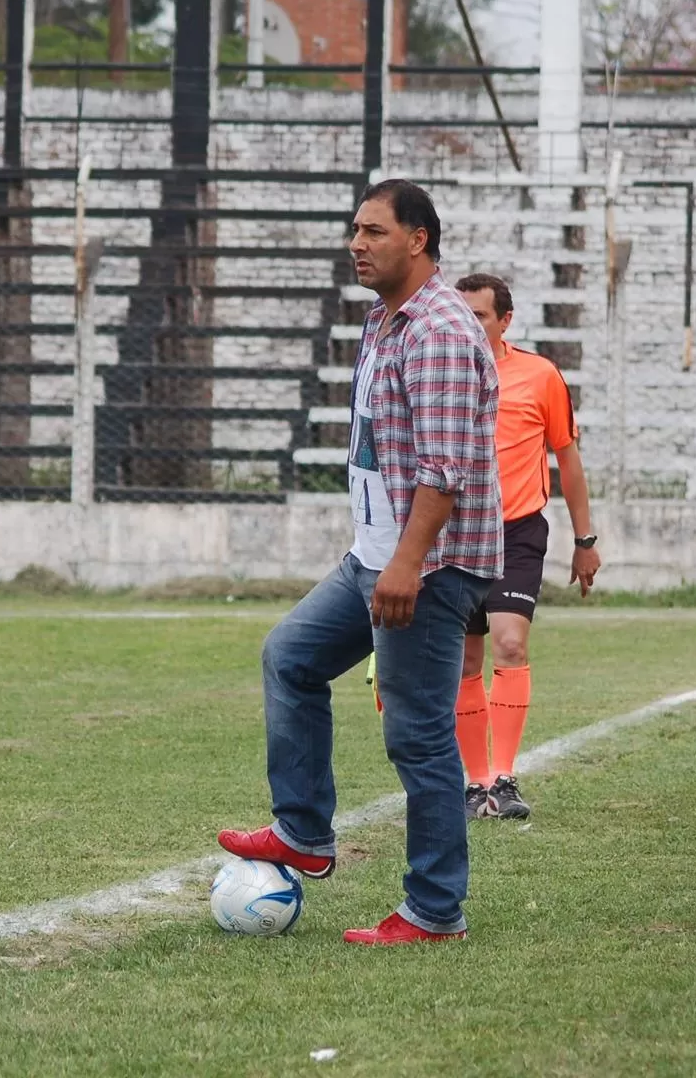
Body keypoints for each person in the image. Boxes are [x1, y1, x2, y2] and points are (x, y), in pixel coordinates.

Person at [217, 180, 502, 946]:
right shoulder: (384, 319)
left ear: (418, 240)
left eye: (373, 230)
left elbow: (445, 470)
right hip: (374, 556)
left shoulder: (438, 327)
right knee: (292, 657)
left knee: (418, 737)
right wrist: (378, 554)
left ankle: (435, 910)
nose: (356, 242)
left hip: (427, 566)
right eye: (354, 229)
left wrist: (405, 565)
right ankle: (304, 834)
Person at [453, 273, 601, 821]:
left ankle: (505, 779)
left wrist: (585, 541)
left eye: (480, 316)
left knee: (510, 645)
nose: (470, 325)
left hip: (517, 529)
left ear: (505, 321)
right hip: (456, 532)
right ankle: (474, 785)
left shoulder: (540, 376)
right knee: (465, 659)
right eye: (461, 314)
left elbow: (569, 460)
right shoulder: (440, 371)